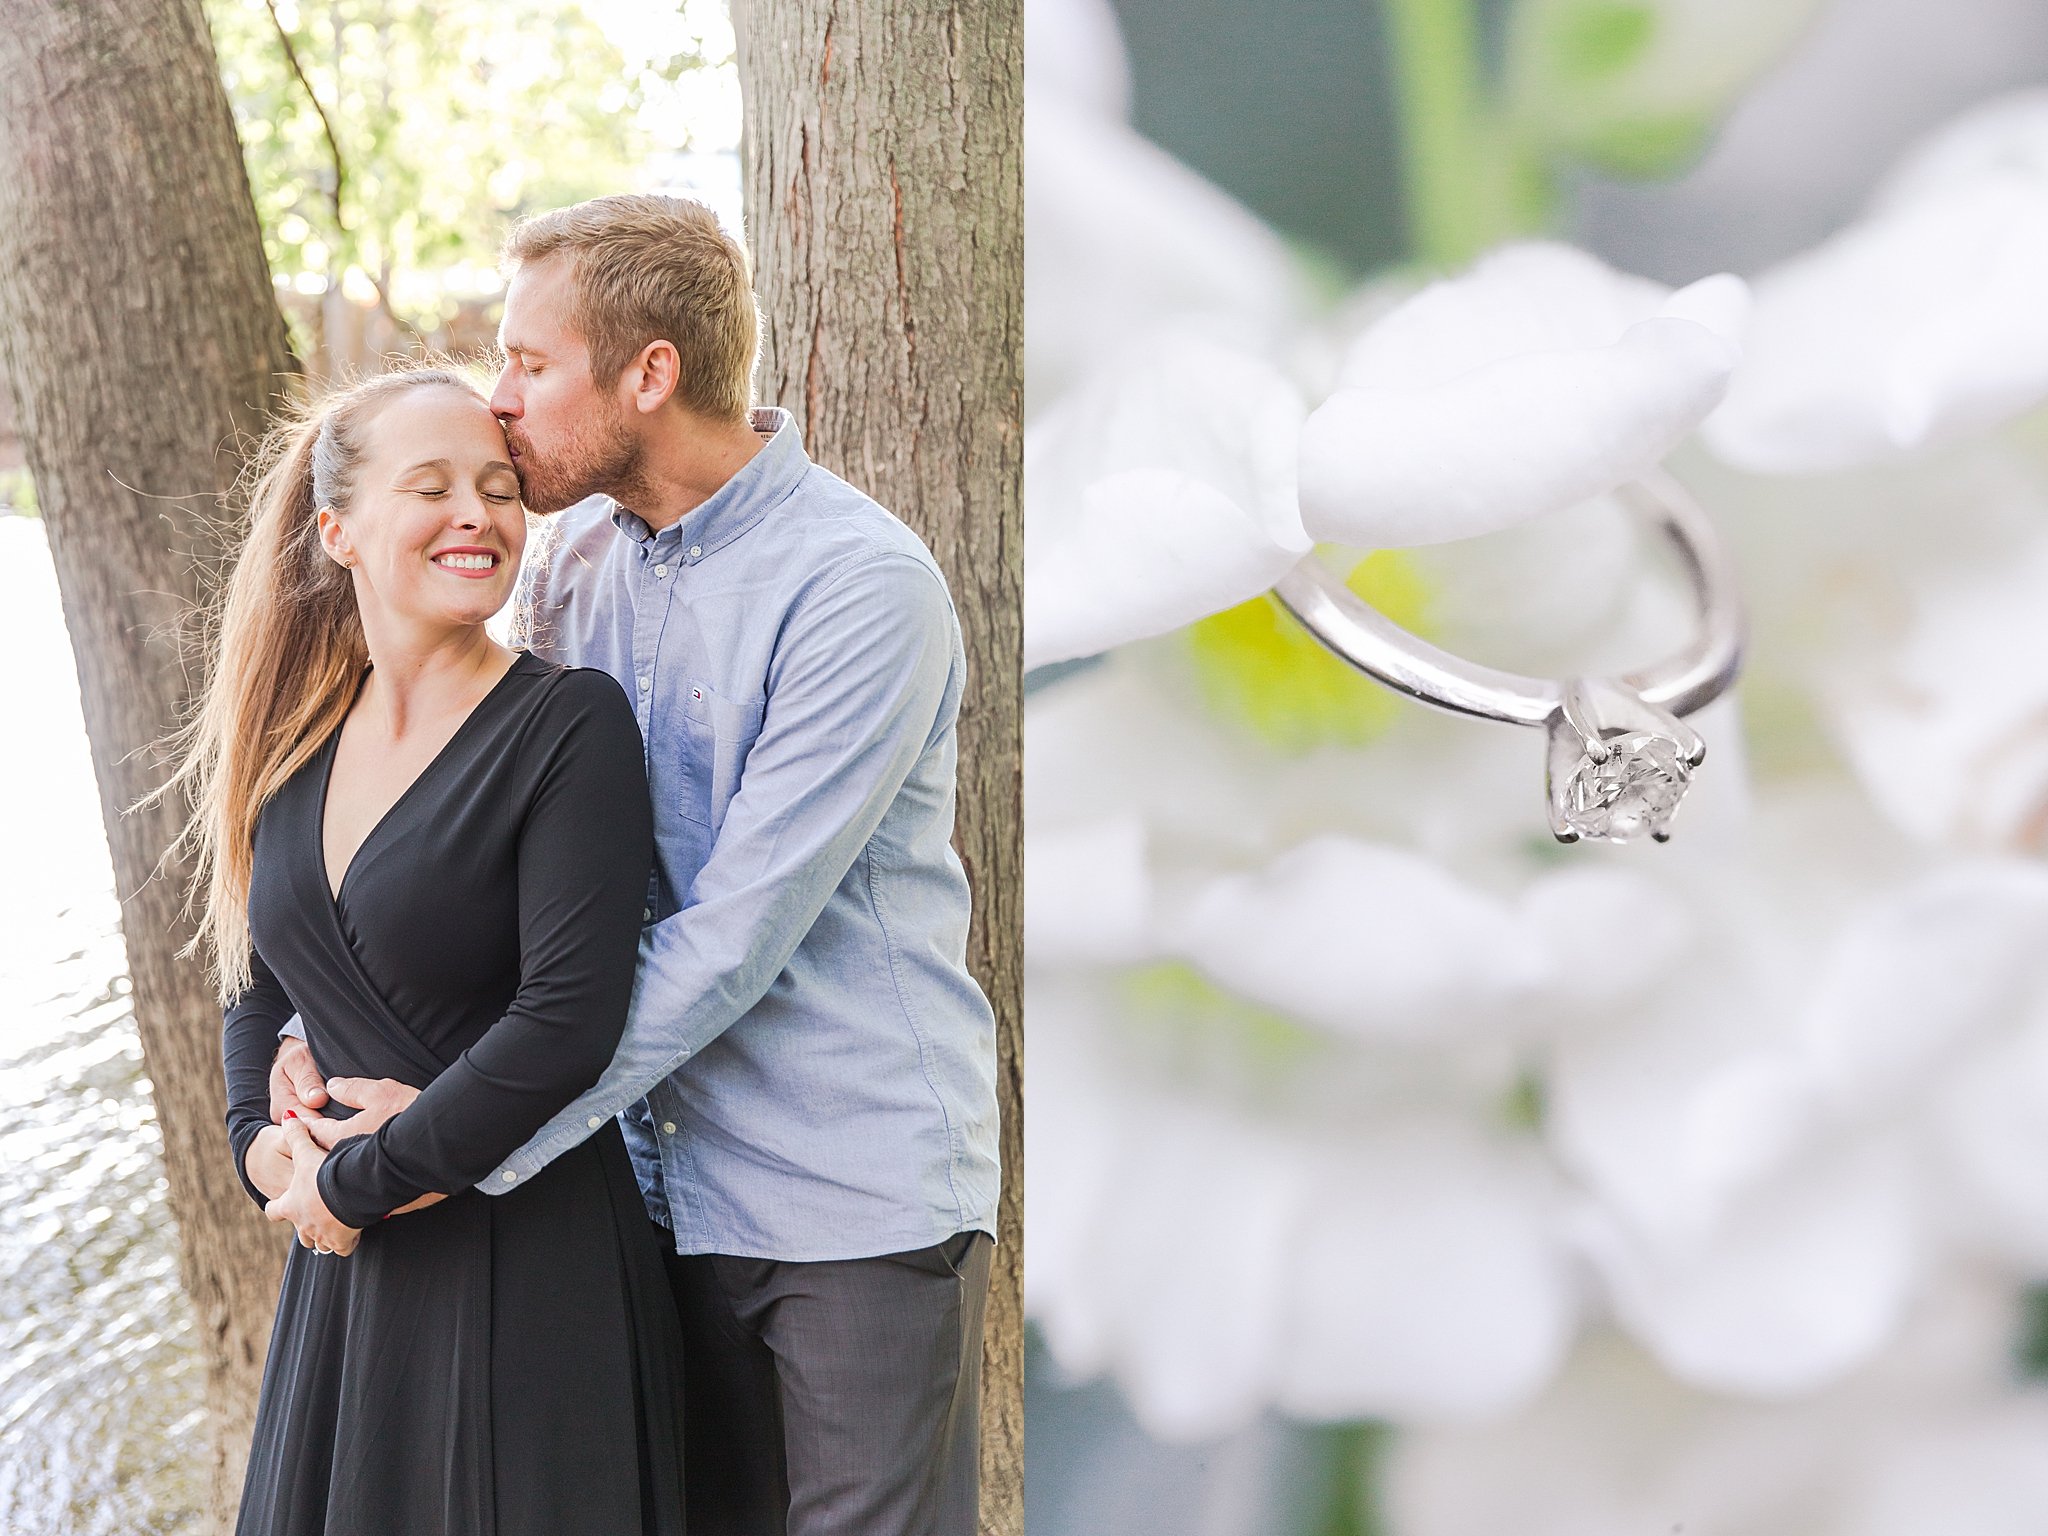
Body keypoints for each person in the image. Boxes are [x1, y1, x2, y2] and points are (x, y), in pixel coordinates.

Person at [273, 194, 1002, 1535]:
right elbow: (489, 851)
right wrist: (311, 1031)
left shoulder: (857, 587)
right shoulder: (571, 574)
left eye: (528, 364)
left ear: (648, 375)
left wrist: (451, 1143)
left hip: (844, 1197)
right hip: (648, 1191)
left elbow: (733, 937)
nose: (501, 405)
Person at [173, 367, 686, 1535]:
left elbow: (566, 1022)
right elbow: (255, 978)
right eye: (434, 487)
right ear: (338, 532)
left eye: (499, 489)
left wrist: (352, 1180)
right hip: (345, 1268)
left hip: (524, 1252)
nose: (478, 515)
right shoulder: (297, 736)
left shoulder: (568, 724)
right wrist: (264, 1153)